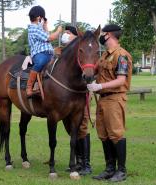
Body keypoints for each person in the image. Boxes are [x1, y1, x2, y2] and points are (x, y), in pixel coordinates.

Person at [87, 24, 132, 182]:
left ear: (110, 35)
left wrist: (100, 86)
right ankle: (109, 168)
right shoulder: (104, 55)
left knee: (116, 133)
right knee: (103, 134)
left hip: (115, 98)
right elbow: (93, 70)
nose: (102, 36)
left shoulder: (121, 55)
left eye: (104, 33)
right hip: (103, 100)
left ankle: (121, 170)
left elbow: (121, 80)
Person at [57, 25, 92, 176]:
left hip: (80, 96)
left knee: (81, 128)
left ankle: (85, 164)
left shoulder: (82, 51)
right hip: (68, 98)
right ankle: (78, 162)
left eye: (68, 33)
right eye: (64, 33)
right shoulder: (67, 53)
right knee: (72, 129)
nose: (65, 36)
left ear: (75, 37)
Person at [26, 5, 62, 98]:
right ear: (39, 18)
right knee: (40, 62)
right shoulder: (34, 28)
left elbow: (47, 34)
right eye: (42, 18)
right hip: (40, 54)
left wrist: (45, 25)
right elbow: (50, 37)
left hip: (49, 53)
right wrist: (58, 31)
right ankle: (29, 88)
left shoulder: (39, 28)